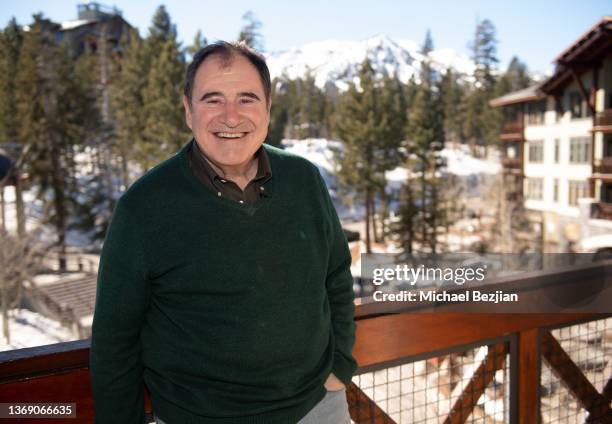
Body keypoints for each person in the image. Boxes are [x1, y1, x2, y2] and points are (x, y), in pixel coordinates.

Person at [90, 41, 357, 424]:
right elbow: (115, 342)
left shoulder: (304, 179)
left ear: (267, 108)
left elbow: (336, 274)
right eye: (213, 100)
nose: (231, 117)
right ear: (188, 110)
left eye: (247, 99)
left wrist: (340, 366)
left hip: (316, 408)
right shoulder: (145, 206)